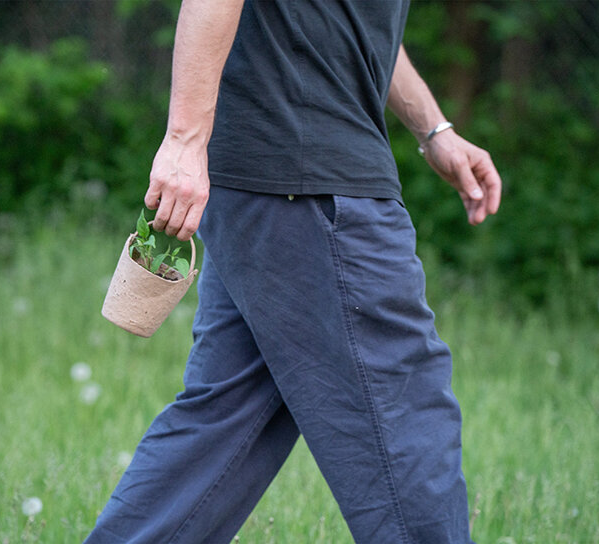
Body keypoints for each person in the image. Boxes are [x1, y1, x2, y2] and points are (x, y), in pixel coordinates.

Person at [85, 0, 501, 542]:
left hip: (279, 181)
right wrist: (185, 140)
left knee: (225, 428)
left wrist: (434, 129)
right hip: (309, 179)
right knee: (404, 413)